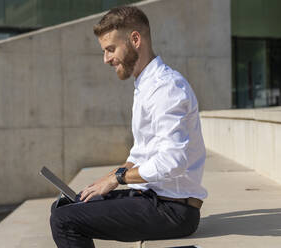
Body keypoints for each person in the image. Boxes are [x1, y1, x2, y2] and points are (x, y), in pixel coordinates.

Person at [50, 6, 207, 248]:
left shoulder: (167, 88)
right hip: (153, 198)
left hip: (173, 210)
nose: (106, 59)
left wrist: (118, 179)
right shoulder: (145, 85)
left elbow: (173, 160)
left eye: (110, 49)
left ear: (135, 40)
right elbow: (141, 154)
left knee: (64, 220)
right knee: (66, 205)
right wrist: (105, 180)